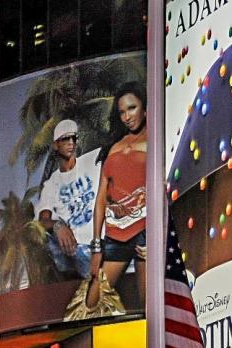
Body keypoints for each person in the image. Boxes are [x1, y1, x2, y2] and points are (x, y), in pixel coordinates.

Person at [85, 84, 149, 310]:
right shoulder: (113, 148)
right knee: (91, 303)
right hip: (115, 233)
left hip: (144, 230)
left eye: (132, 108)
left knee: (147, 306)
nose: (127, 116)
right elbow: (101, 200)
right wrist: (96, 246)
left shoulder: (156, 140)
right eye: (122, 112)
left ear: (144, 107)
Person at [37, 119, 99, 280]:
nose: (71, 143)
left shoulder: (92, 160)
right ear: (56, 145)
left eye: (74, 138)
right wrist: (58, 226)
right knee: (41, 238)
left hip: (100, 243)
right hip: (77, 249)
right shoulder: (52, 183)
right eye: (65, 139)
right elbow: (42, 221)